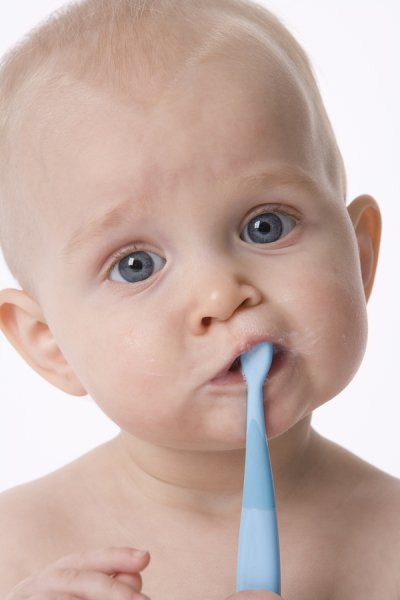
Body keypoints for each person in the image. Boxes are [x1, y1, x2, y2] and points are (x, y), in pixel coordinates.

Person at [0, 0, 398, 598]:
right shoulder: (17, 550)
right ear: (49, 343)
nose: (221, 293)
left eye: (265, 226)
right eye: (136, 266)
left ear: (359, 258)